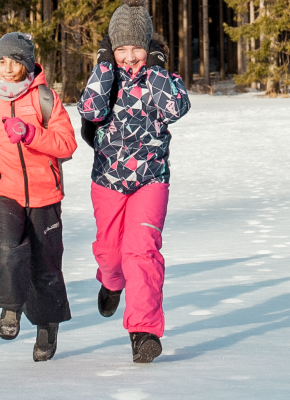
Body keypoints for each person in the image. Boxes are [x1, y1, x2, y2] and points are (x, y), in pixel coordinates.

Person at [79, 0, 191, 363]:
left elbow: (175, 109)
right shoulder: (106, 76)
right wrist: (102, 67)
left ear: (149, 47)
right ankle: (111, 283)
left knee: (140, 251)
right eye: (121, 49)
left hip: (150, 179)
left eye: (137, 48)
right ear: (112, 49)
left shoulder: (163, 79)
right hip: (108, 179)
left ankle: (143, 331)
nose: (129, 57)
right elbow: (91, 110)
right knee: (112, 255)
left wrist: (156, 68)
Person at [0, 32, 78, 362]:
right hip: (3, 191)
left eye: (15, 61)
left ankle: (47, 327)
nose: (7, 67)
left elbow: (66, 144)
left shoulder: (44, 99)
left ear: (27, 65)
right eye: (1, 61)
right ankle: (10, 308)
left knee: (46, 268)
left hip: (45, 194)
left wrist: (30, 133)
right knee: (6, 247)